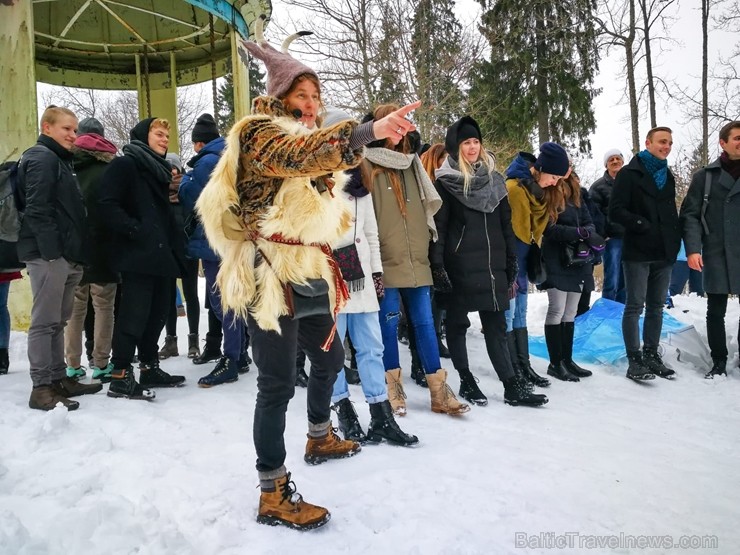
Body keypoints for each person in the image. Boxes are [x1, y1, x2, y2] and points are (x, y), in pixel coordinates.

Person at [196, 19, 421, 530]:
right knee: (276, 384)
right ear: (279, 98)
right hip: (267, 274)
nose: (312, 104)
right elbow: (300, 154)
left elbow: (325, 194)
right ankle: (272, 489)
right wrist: (367, 131)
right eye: (302, 94)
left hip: (309, 268)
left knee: (331, 357)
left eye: (317, 95)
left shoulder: (310, 141)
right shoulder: (259, 135)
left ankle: (319, 433)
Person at [430, 116, 547, 407]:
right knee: (457, 323)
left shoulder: (494, 180)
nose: (472, 147)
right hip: (458, 264)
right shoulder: (445, 183)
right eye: (466, 142)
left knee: (495, 325)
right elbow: (439, 229)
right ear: (456, 148)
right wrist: (438, 265)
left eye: (476, 142)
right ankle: (467, 379)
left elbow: (506, 225)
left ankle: (511, 386)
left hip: (493, 264)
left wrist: (511, 259)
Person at [362, 104, 470, 418]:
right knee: (388, 325)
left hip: (416, 260)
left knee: (425, 325)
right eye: (390, 125)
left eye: (401, 125)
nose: (398, 131)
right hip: (384, 259)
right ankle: (392, 391)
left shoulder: (412, 165)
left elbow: (427, 209)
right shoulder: (366, 165)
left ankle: (439, 391)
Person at [325, 108, 419, 446]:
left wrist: (376, 272)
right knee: (334, 352)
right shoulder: (315, 182)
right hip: (332, 279)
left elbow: (371, 232)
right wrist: (340, 257)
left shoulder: (361, 181)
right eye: (338, 137)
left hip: (362, 278)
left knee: (372, 348)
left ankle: (381, 414)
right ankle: (343, 411)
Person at [17, 106, 102, 410]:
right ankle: (41, 388)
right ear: (47, 127)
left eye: (75, 129)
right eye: (67, 129)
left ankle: (57, 380)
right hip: (48, 256)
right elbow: (37, 209)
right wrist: (52, 253)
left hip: (66, 256)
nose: (73, 135)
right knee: (44, 322)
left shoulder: (60, 161)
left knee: (57, 321)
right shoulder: (41, 158)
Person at [99, 117, 187, 400]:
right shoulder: (126, 164)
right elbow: (107, 205)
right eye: (159, 134)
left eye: (166, 136)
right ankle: (120, 375)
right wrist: (135, 230)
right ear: (142, 136)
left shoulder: (159, 170)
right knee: (133, 316)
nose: (164, 140)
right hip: (137, 254)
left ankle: (150, 366)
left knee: (159, 313)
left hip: (160, 254)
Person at [179, 113, 248, 386]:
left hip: (215, 239)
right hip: (232, 238)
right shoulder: (229, 155)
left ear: (198, 143)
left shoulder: (207, 161)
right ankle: (239, 353)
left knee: (222, 301)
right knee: (231, 298)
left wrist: (184, 181)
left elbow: (192, 196)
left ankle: (231, 357)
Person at [609, 126, 680, 381]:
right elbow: (615, 211)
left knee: (657, 307)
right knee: (635, 305)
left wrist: (676, 238)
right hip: (638, 250)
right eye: (662, 142)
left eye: (670, 143)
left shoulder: (667, 175)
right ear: (648, 143)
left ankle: (651, 354)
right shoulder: (629, 174)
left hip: (665, 250)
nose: (667, 146)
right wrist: (641, 224)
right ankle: (635, 360)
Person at [504, 144, 571, 388]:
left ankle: (524, 365)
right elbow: (514, 231)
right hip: (509, 260)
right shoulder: (515, 189)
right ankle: (512, 369)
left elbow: (535, 231)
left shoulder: (539, 194)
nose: (554, 183)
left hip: (524, 261)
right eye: (553, 177)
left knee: (520, 314)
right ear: (540, 169)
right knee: (509, 316)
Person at [680, 120, 740, 378]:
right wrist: (693, 250)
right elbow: (690, 215)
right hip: (715, 250)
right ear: (723, 142)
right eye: (737, 138)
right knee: (715, 309)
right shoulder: (705, 177)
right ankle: (718, 361)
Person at [63, 117, 119, 383]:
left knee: (75, 308)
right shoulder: (110, 168)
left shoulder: (66, 164)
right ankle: (101, 363)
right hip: (104, 246)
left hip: (73, 246)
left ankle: (72, 365)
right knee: (104, 306)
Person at [540, 167, 604, 381]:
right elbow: (548, 228)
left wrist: (586, 233)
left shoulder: (577, 191)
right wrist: (577, 233)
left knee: (570, 312)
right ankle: (555, 362)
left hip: (578, 258)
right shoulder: (548, 189)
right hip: (556, 257)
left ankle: (567, 360)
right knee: (556, 309)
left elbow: (589, 221)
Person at [158, 152, 201, 360]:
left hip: (188, 249)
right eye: (167, 168)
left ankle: (194, 341)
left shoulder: (187, 190)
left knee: (191, 294)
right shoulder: (158, 192)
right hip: (168, 251)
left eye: (173, 168)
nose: (171, 171)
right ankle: (171, 341)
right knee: (167, 297)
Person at [590, 149, 626, 303]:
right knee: (612, 275)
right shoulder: (598, 187)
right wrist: (604, 234)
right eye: (611, 159)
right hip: (612, 239)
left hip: (630, 238)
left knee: (627, 276)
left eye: (618, 158)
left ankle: (623, 308)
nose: (615, 161)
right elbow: (593, 213)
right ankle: (608, 306)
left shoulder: (631, 183)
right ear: (606, 164)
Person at [665, 241, 703, 308]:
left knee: (699, 291)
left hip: (698, 257)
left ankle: (697, 312)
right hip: (680, 257)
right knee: (675, 289)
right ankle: (667, 308)